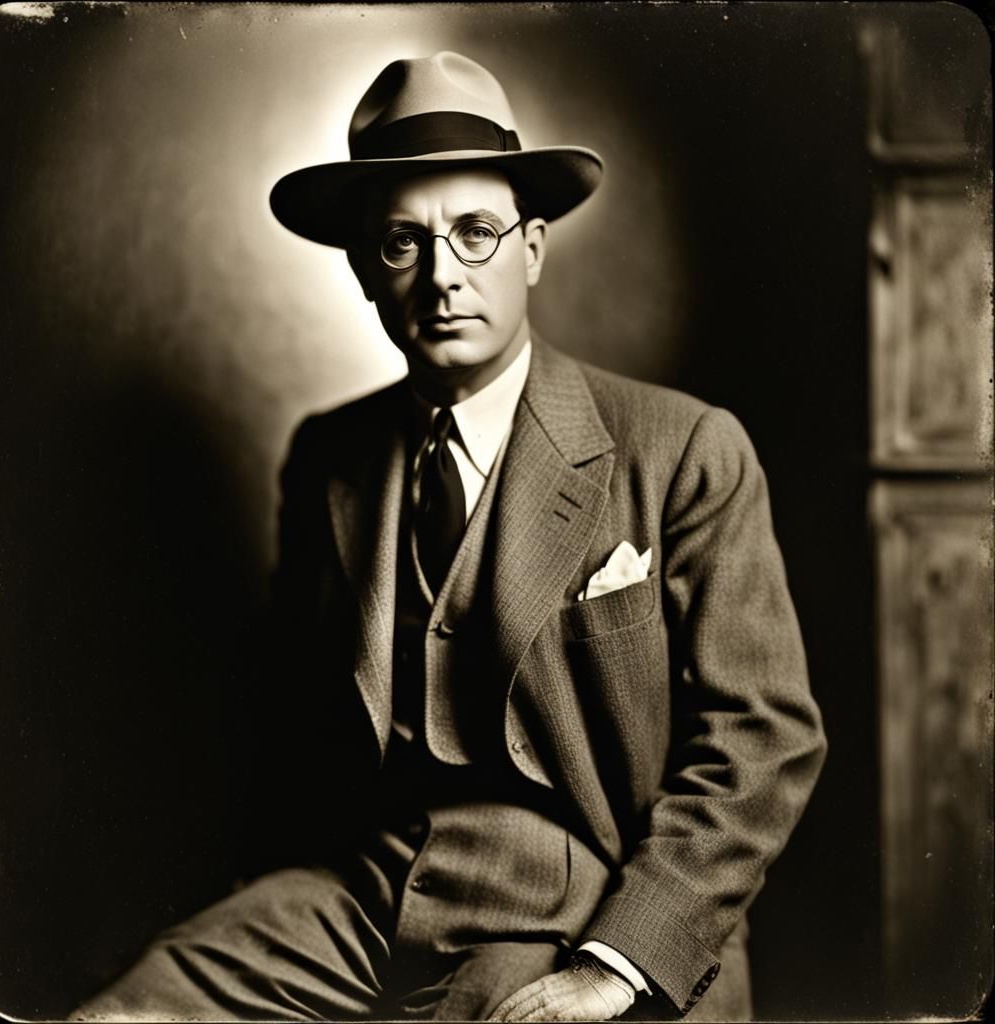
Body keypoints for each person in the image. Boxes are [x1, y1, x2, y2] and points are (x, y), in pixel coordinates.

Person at [74, 51, 826, 1022]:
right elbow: (294, 735)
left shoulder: (682, 447)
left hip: (583, 900)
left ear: (533, 249)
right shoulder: (329, 458)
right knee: (123, 1016)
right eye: (402, 242)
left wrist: (617, 962)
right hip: (367, 890)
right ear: (362, 269)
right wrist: (264, 894)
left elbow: (763, 738)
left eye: (475, 233)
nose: (441, 277)